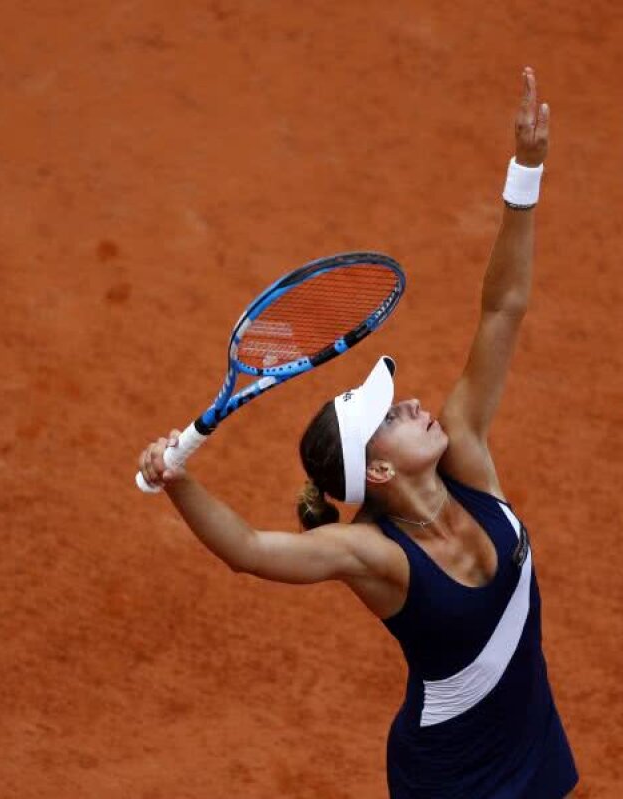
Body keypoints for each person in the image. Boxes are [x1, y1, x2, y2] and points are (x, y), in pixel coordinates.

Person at [137, 66, 577, 799]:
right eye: (389, 417)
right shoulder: (375, 554)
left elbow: (502, 308)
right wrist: (179, 481)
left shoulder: (465, 449)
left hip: (532, 750)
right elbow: (248, 551)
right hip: (452, 782)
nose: (409, 405)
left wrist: (524, 172)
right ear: (376, 473)